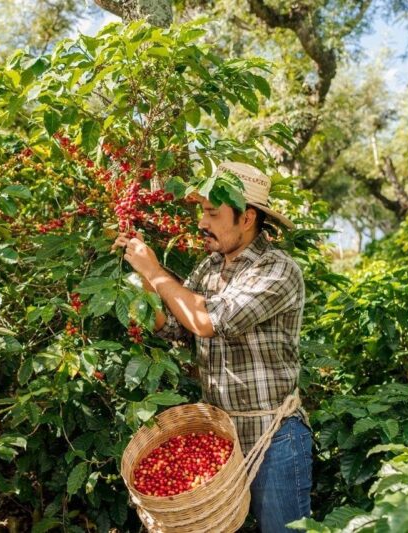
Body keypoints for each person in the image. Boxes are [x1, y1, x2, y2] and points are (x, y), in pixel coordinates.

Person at [112, 162, 312, 532]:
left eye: (212, 213)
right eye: (201, 211)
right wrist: (143, 278)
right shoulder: (207, 269)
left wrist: (156, 271)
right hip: (219, 437)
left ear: (247, 217)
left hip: (275, 436)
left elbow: (208, 321)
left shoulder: (277, 270)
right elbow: (175, 326)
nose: (201, 223)